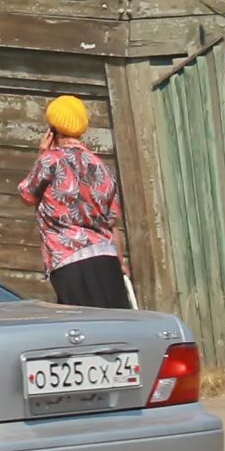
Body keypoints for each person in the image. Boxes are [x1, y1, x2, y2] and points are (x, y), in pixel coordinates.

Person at [21, 94, 130, 308]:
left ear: (52, 131)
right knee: (115, 326)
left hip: (69, 260)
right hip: (106, 257)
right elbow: (112, 222)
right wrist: (120, 261)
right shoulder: (100, 166)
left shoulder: (50, 160)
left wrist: (42, 153)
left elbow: (27, 195)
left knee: (84, 328)